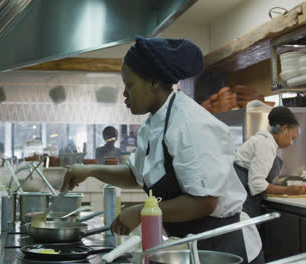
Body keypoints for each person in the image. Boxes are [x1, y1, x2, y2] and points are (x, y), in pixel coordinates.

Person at [60, 36, 263, 263]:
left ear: (153, 83)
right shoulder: (153, 123)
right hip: (188, 244)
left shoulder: (188, 122)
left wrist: (140, 212)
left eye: (130, 85)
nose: (125, 94)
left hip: (222, 246)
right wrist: (89, 171)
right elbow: (135, 175)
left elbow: (206, 201)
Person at [234, 106, 306, 218]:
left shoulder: (263, 140)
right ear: (284, 129)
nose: (291, 143)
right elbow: (257, 184)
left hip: (242, 198)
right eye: (292, 138)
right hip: (244, 203)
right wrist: (287, 190)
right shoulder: (267, 144)